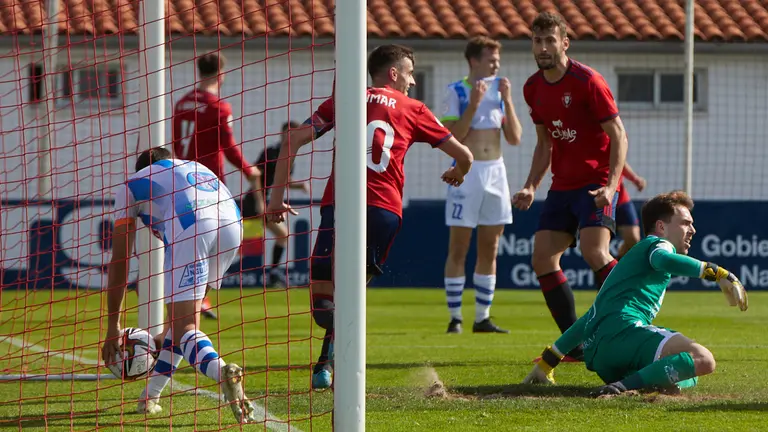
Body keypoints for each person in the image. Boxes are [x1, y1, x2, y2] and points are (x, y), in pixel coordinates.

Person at [266, 44, 474, 390]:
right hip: (383, 211)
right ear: (393, 73)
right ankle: (330, 365)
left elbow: (292, 140)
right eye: (409, 73)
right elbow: (465, 155)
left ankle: (334, 368)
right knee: (349, 296)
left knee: (324, 299)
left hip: (341, 205)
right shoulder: (415, 108)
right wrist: (459, 172)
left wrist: (274, 201)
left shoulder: (346, 98)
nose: (412, 82)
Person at [521, 190, 748, 396]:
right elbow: (663, 259)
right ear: (661, 226)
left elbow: (591, 316)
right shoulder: (657, 244)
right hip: (624, 333)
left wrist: (547, 363)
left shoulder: (629, 264)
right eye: (686, 223)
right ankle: (621, 388)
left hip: (601, 357)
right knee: (703, 360)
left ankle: (628, 382)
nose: (693, 230)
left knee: (685, 375)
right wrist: (716, 273)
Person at [101, 147, 258, 423]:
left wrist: (113, 325)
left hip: (191, 224)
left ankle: (223, 371)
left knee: (185, 327)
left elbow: (120, 258)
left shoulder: (132, 184)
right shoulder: (195, 167)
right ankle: (151, 397)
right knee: (184, 326)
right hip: (233, 224)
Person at [513, 12, 628, 361]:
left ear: (565, 42)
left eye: (550, 40)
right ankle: (575, 345)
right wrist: (531, 185)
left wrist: (611, 186)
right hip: (561, 187)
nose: (543, 47)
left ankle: (627, 325)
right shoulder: (532, 88)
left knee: (595, 252)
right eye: (537, 40)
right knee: (542, 259)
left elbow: (619, 136)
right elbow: (544, 144)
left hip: (595, 184)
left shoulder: (588, 81)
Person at [440, 36, 523, 334]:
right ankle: (455, 318)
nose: (496, 64)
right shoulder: (457, 91)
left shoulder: (501, 91)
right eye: (490, 59)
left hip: (496, 172)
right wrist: (473, 105)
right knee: (459, 247)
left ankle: (482, 317)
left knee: (491, 245)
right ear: (474, 61)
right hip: (467, 172)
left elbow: (515, 138)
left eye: (497, 59)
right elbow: (452, 138)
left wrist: (510, 100)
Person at [172, 52, 263, 319]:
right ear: (221, 74)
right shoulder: (220, 107)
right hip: (209, 183)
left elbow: (177, 143)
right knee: (219, 238)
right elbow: (229, 146)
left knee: (187, 239)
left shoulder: (182, 103)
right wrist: (250, 171)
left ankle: (195, 296)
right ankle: (196, 297)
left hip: (182, 179)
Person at [241, 121, 310, 287]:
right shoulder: (270, 152)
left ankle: (273, 274)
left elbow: (282, 180)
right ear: (281, 133)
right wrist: (259, 202)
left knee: (280, 235)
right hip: (254, 201)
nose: (290, 136)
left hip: (267, 202)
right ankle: (272, 274)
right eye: (288, 133)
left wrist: (299, 185)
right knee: (239, 240)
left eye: (293, 133)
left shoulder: (289, 156)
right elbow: (255, 176)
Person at [616, 162, 647, 259]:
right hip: (597, 200)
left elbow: (619, 161)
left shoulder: (611, 148)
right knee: (598, 245)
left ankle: (618, 266)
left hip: (621, 199)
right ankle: (603, 271)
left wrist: (635, 178)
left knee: (633, 240)